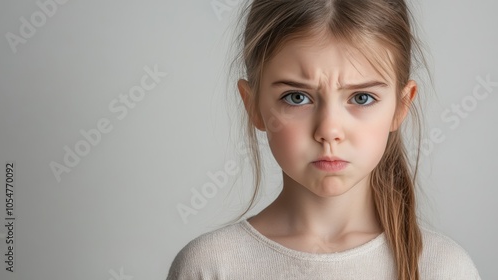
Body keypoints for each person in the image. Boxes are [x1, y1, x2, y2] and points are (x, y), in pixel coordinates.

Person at [167, 0, 481, 279]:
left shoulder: (445, 269)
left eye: (361, 98)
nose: (329, 130)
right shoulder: (209, 267)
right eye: (296, 97)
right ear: (253, 106)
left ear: (401, 107)